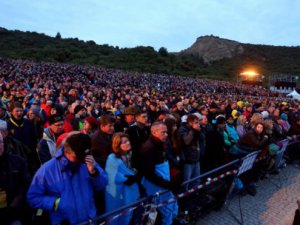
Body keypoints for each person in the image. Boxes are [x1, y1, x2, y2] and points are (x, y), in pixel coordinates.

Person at [27, 133, 108, 225]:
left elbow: (102, 185)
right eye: (77, 157)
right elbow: (33, 198)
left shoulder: (87, 162)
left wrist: (94, 173)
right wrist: (55, 203)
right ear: (67, 152)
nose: (80, 160)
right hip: (64, 221)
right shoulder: (47, 170)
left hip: (89, 220)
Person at [140, 122, 178, 225]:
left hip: (163, 185)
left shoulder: (160, 143)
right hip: (157, 188)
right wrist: (166, 184)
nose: (166, 134)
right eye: (163, 132)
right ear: (154, 132)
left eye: (166, 132)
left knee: (170, 207)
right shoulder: (149, 148)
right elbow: (149, 173)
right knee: (162, 210)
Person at [105, 133, 140, 225]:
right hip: (117, 193)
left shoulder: (131, 154)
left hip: (129, 191)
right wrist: (126, 178)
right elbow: (111, 175)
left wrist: (134, 174)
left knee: (128, 215)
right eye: (124, 142)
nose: (128, 143)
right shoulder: (112, 158)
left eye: (128, 141)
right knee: (117, 216)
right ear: (117, 145)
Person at [0, 131, 32, 225]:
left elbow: (27, 184)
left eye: (0, 142)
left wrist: (14, 205)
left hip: (16, 214)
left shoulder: (18, 161)